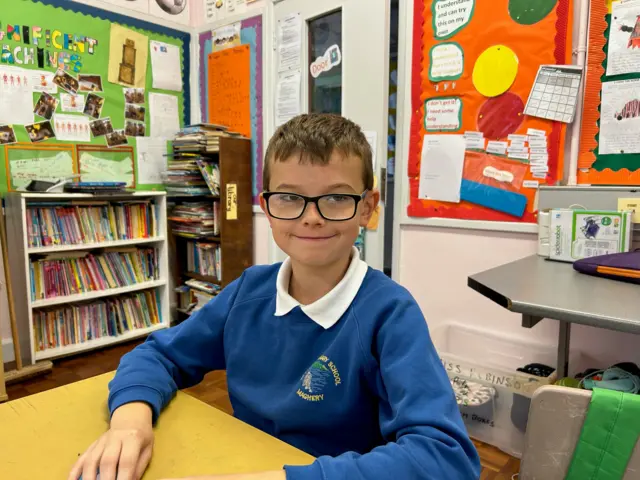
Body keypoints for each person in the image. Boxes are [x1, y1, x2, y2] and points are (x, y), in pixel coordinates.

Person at [69, 113, 481, 480]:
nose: (312, 216)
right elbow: (159, 355)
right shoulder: (249, 291)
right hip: (241, 459)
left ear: (367, 207)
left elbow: (447, 459)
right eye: (289, 197)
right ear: (266, 206)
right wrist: (130, 422)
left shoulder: (390, 313)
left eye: (337, 197)